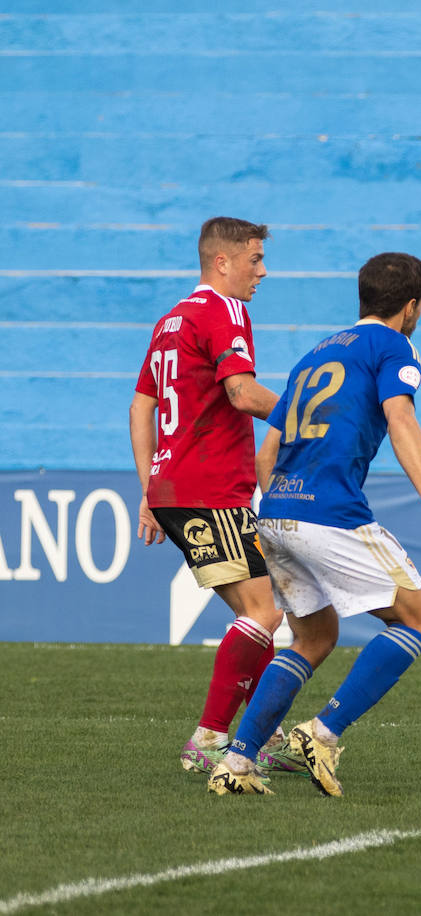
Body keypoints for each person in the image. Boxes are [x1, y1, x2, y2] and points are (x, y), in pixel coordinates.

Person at [207, 251, 421, 796]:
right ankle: (320, 734)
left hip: (276, 512)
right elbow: (400, 416)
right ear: (412, 306)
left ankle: (237, 762)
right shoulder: (394, 345)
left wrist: (280, 505)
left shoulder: (314, 352)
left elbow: (268, 447)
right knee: (419, 619)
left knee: (314, 636)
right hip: (331, 512)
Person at [129, 216, 301, 776]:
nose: (262, 270)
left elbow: (141, 406)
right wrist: (308, 419)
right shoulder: (224, 310)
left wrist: (149, 491)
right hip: (211, 488)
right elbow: (242, 391)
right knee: (264, 612)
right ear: (222, 262)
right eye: (255, 258)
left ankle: (263, 736)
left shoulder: (169, 319)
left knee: (255, 617)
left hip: (176, 488)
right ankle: (209, 738)